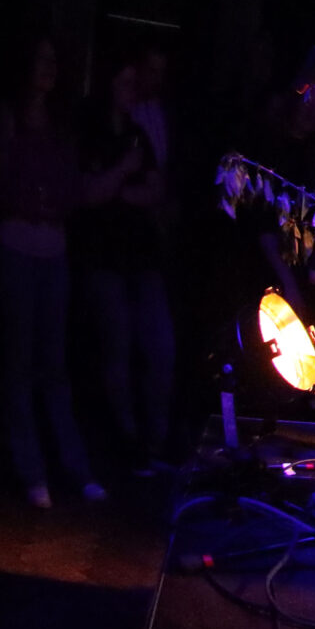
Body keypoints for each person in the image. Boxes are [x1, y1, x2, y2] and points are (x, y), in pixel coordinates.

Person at [0, 37, 107, 508]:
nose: (48, 67)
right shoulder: (9, 118)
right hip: (17, 246)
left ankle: (75, 468)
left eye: (53, 60)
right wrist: (31, 201)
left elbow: (71, 187)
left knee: (54, 365)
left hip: (53, 249)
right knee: (20, 362)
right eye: (40, 59)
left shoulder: (60, 126)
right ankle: (31, 470)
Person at [73, 60, 174, 469]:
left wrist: (118, 190)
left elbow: (155, 190)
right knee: (116, 349)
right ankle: (127, 440)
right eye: (126, 81)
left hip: (142, 257)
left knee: (160, 348)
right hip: (104, 258)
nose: (133, 88)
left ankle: (156, 441)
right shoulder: (91, 134)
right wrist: (122, 175)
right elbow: (88, 194)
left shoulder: (137, 134)